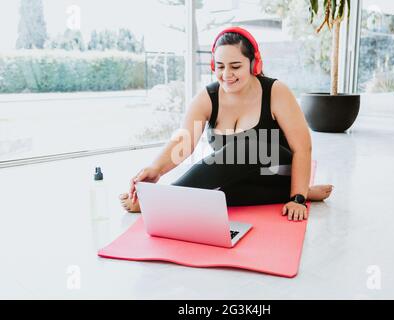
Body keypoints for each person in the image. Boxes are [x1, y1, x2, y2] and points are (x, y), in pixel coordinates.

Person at [120, 27, 333, 221]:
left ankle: (163, 200)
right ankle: (304, 190)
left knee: (245, 146)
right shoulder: (208, 97)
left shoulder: (277, 92)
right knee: (214, 195)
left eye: (235, 66)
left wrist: (297, 198)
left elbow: (303, 147)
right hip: (238, 181)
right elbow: (184, 141)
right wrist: (155, 168)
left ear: (253, 64)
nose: (226, 74)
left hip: (278, 171)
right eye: (220, 66)